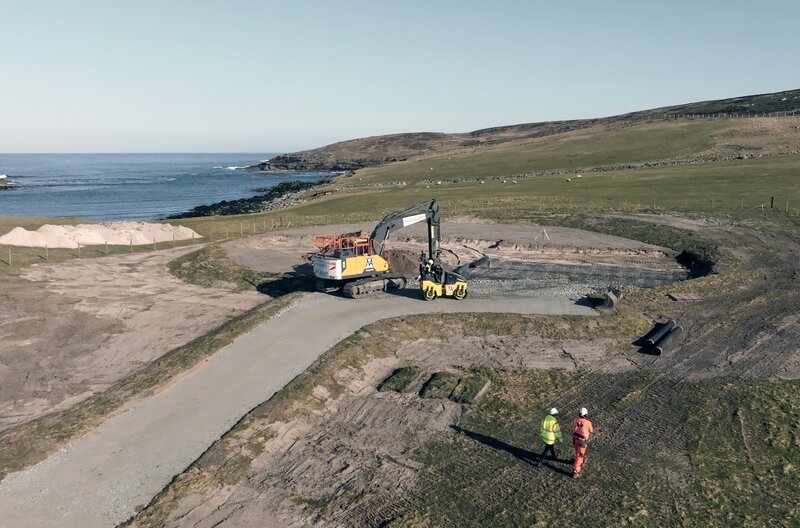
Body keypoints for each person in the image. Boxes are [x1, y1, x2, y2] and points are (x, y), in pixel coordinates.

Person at [572, 407, 594, 478]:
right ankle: (576, 472)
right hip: (582, 441)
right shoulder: (588, 422)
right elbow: (591, 430)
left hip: (575, 439)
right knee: (579, 455)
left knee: (577, 453)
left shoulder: (576, 420)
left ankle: (579, 462)